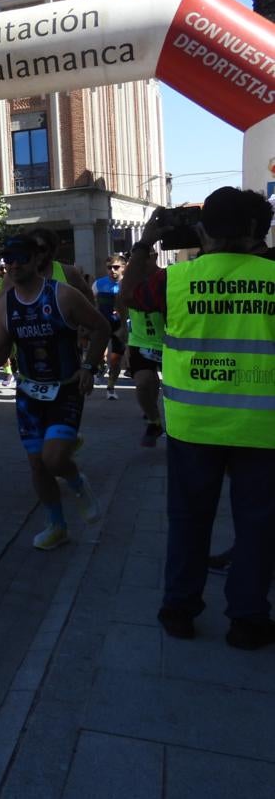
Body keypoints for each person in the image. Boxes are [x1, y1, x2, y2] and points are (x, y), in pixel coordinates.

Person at [124, 188, 275, 650]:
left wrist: (145, 243)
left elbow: (128, 298)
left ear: (203, 230)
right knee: (258, 526)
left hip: (194, 426)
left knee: (189, 520)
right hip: (261, 427)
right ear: (253, 229)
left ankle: (179, 610)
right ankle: (247, 620)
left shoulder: (175, 281)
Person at [0, 234, 110, 550]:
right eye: (8, 259)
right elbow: (0, 351)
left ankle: (77, 483)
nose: (13, 265)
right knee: (37, 463)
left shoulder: (63, 295)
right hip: (29, 392)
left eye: (21, 257)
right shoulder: (4, 305)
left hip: (65, 388)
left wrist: (89, 367)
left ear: (37, 259)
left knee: (55, 458)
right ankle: (56, 525)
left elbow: (102, 326)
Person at [118, 255, 165, 447]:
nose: (142, 261)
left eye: (147, 257)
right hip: (140, 340)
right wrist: (123, 327)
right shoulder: (129, 282)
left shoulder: (166, 277)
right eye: (138, 258)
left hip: (168, 340)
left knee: (162, 386)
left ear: (155, 257)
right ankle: (154, 422)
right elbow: (121, 303)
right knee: (144, 382)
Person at [92, 256, 128, 400]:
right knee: (99, 354)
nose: (112, 270)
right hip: (102, 325)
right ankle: (100, 367)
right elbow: (90, 302)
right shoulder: (98, 284)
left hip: (120, 326)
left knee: (116, 360)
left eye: (116, 267)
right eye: (109, 267)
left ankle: (111, 387)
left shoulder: (128, 284)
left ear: (124, 267)